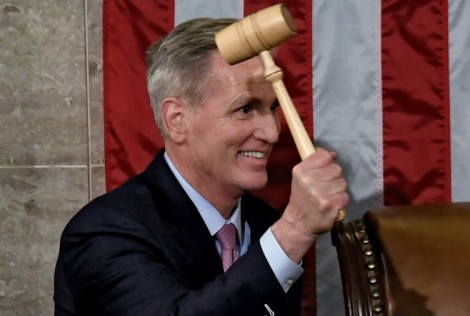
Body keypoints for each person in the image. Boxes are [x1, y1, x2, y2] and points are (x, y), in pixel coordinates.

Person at [53, 17, 348, 316]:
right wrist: (294, 231)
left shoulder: (265, 225)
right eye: (245, 109)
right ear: (177, 121)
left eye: (272, 108)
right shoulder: (102, 233)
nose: (271, 133)